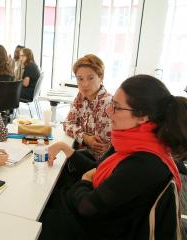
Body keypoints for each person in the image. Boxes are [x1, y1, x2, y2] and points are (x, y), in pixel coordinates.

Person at [40, 74, 187, 240]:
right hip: (101, 218)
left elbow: (87, 207)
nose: (109, 112)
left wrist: (84, 182)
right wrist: (66, 149)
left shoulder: (144, 164)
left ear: (143, 116)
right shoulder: (133, 140)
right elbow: (99, 169)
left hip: (101, 229)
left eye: (116, 107)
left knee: (35, 216)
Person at [64, 54, 112, 160]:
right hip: (82, 155)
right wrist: (85, 138)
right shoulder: (81, 97)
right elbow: (67, 124)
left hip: (98, 164)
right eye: (80, 79)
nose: (85, 84)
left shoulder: (108, 104)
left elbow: (99, 148)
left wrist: (82, 136)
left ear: (101, 77)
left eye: (90, 78)